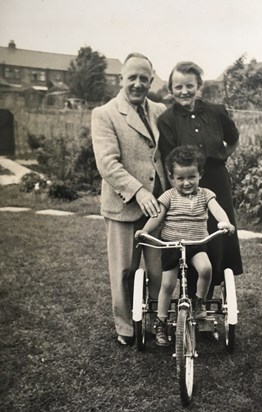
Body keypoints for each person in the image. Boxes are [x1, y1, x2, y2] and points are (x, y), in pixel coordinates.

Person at [91, 52, 166, 346]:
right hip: (124, 206)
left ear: (151, 80)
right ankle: (126, 327)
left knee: (160, 269)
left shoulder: (159, 110)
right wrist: (138, 191)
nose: (137, 84)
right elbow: (108, 163)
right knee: (124, 270)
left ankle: (156, 321)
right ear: (121, 79)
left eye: (143, 79)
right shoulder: (105, 113)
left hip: (157, 207)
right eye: (131, 77)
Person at [158, 61, 243, 306]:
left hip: (216, 182)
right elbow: (168, 159)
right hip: (185, 187)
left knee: (218, 238)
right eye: (178, 87)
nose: (184, 91)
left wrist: (223, 156)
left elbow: (233, 138)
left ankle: (206, 303)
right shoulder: (167, 119)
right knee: (189, 238)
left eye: (189, 86)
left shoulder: (216, 111)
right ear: (171, 89)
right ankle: (190, 303)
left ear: (199, 86)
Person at [135, 145, 235, 346]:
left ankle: (199, 302)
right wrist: (144, 231)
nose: (186, 182)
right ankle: (161, 322)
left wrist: (225, 223)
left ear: (200, 175)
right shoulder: (169, 196)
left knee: (206, 269)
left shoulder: (206, 195)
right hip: (172, 245)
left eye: (191, 177)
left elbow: (218, 210)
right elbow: (157, 217)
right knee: (167, 284)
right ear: (171, 177)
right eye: (180, 178)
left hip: (198, 243)